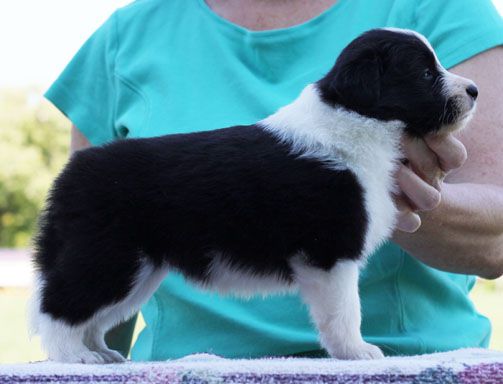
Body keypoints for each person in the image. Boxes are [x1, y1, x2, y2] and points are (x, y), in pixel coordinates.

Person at [45, 0, 503, 360]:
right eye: (429, 75)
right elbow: (96, 257)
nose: (448, 83)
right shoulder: (127, 35)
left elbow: (496, 242)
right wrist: (81, 350)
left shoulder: (441, 8)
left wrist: (419, 198)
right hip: (186, 366)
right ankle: (66, 332)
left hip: (407, 365)